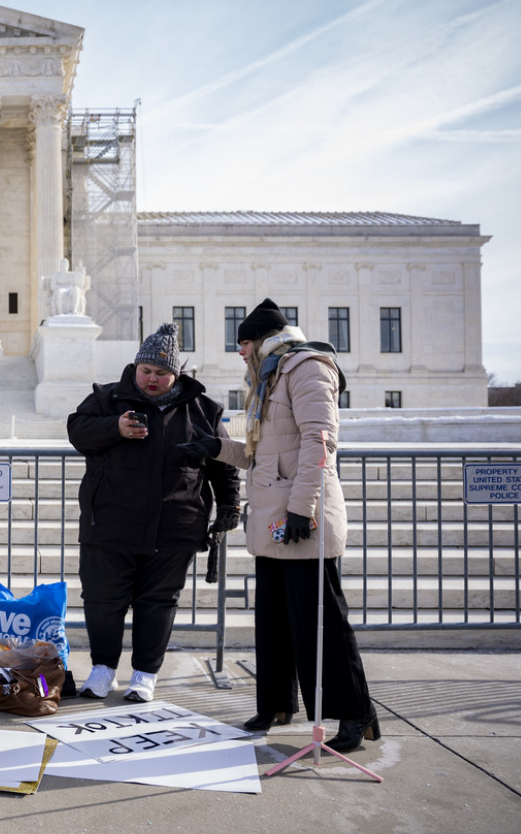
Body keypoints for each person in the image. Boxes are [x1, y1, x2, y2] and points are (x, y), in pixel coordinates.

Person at [178, 298, 379, 753]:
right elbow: (258, 456)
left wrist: (301, 509)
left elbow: (319, 443)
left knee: (321, 623)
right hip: (272, 519)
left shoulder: (307, 367)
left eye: (243, 343)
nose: (239, 351)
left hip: (302, 516)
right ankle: (276, 704)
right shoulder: (268, 377)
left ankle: (356, 711)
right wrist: (214, 447)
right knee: (274, 621)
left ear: (263, 340)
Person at [67, 322, 241, 703]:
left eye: (162, 373)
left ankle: (145, 674)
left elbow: (224, 464)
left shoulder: (203, 411)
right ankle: (102, 670)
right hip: (109, 525)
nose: (151, 379)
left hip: (174, 529)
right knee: (102, 599)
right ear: (135, 367)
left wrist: (230, 504)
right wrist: (115, 428)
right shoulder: (107, 399)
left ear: (176, 374)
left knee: (158, 602)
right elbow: (77, 431)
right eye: (146, 370)